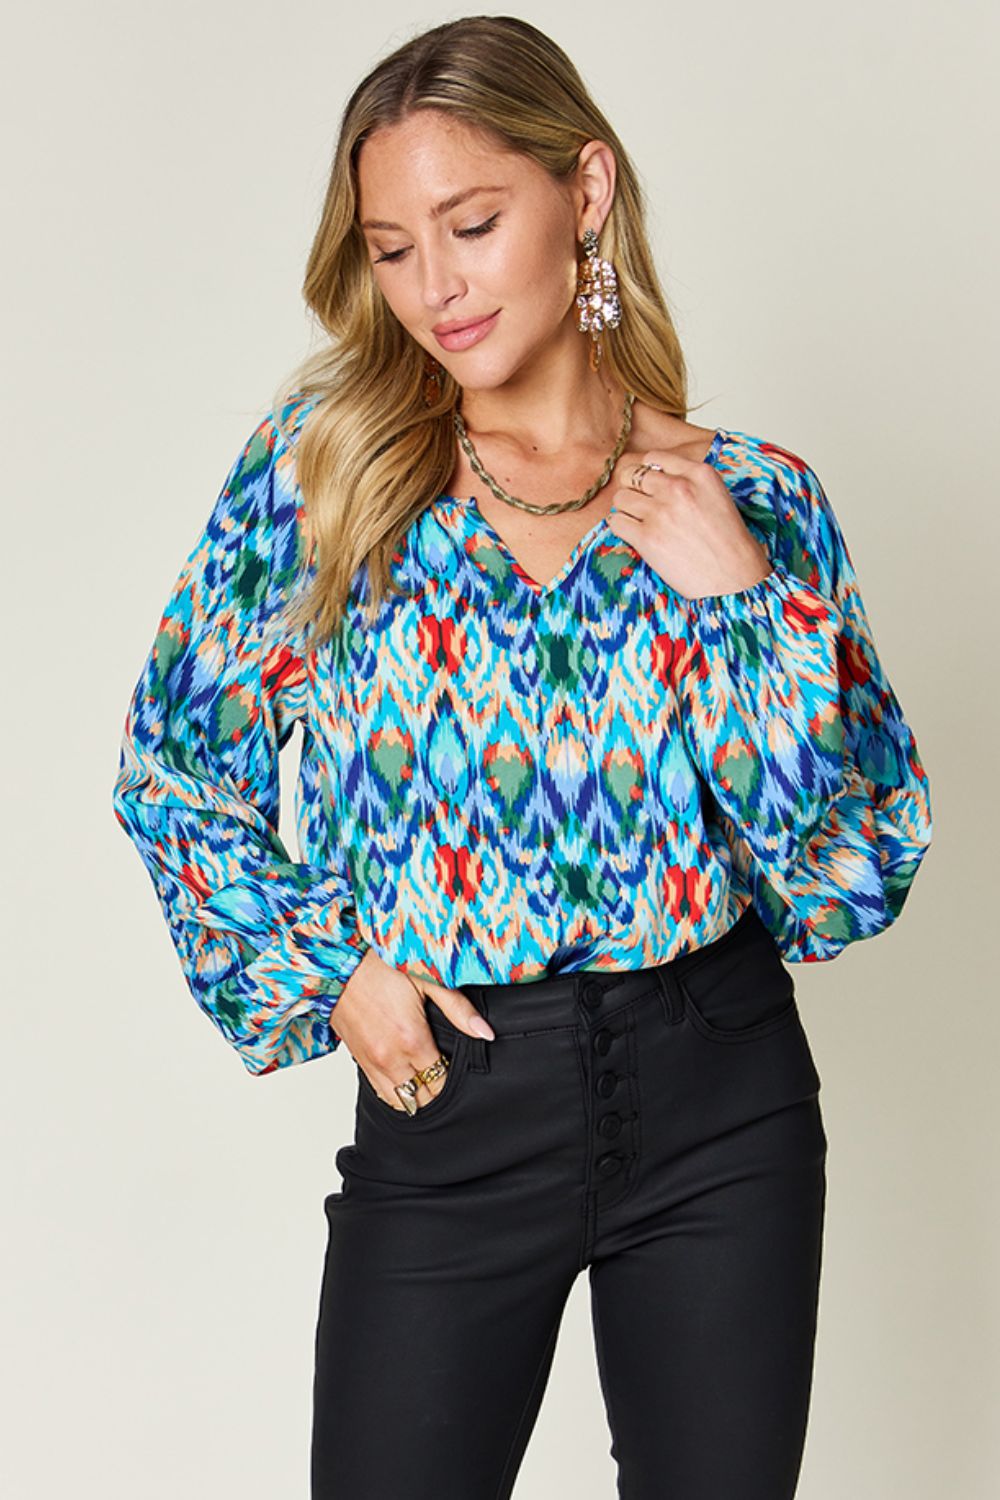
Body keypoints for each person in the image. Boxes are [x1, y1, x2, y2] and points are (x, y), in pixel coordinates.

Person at [111, 14, 933, 1499]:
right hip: (457, 1103)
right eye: (393, 248)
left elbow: (847, 884)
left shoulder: (753, 501)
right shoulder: (330, 474)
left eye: (473, 224)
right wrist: (330, 974)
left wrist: (747, 606)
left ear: (586, 193)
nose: (436, 285)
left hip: (723, 1098)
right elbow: (172, 761)